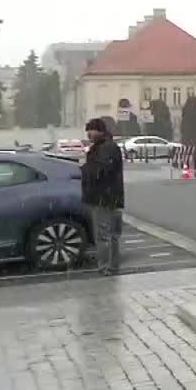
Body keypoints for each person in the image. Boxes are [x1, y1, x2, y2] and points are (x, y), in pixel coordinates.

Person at [82, 118, 125, 276]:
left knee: (103, 236)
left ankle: (104, 267)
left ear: (99, 131)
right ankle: (113, 266)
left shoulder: (103, 148)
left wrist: (85, 168)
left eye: (91, 130)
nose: (88, 134)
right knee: (113, 235)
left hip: (102, 197)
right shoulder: (109, 146)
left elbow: (99, 171)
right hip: (112, 196)